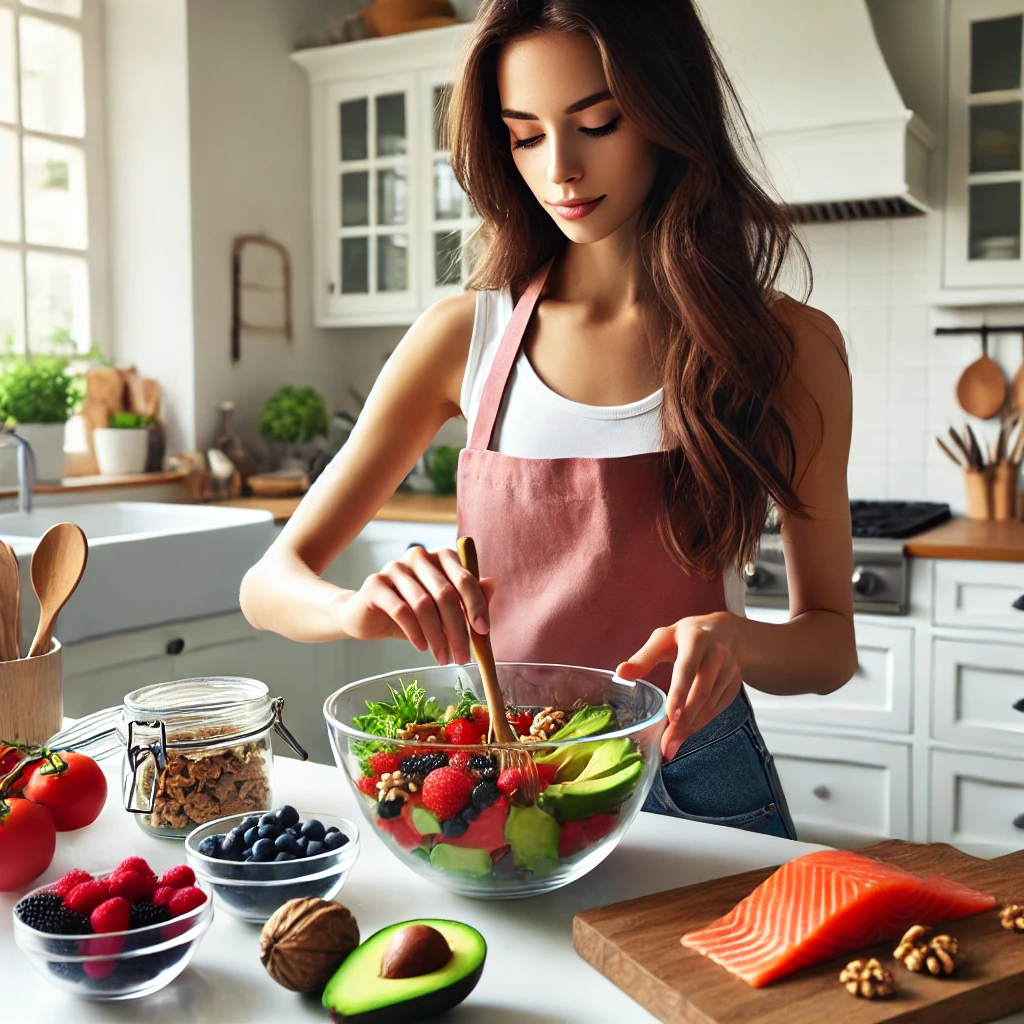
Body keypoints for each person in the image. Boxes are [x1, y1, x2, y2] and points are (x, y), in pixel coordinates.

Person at [240, 0, 857, 840]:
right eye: (525, 134)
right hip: (497, 774)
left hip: (695, 777)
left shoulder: (788, 348)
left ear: (669, 115)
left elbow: (830, 646)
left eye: (596, 122)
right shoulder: (465, 338)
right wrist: (357, 609)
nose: (560, 167)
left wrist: (738, 642)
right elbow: (268, 585)